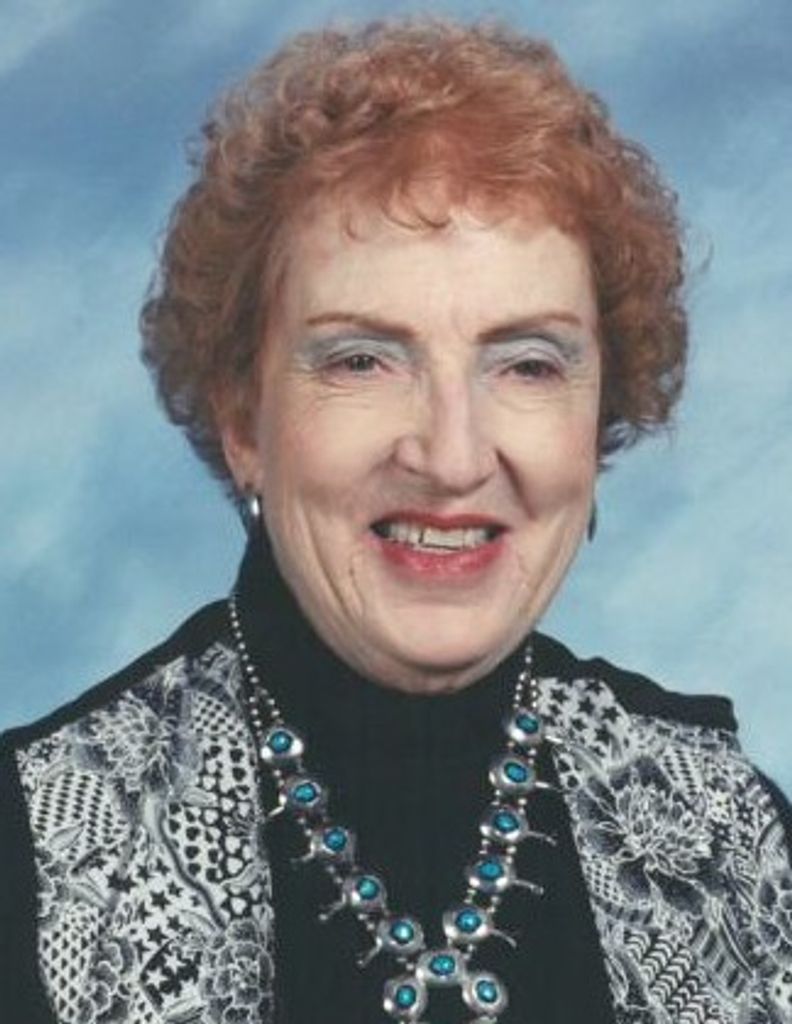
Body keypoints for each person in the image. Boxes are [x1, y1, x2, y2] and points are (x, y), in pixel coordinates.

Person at [2, 17, 790, 1024]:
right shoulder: (28, 855)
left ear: (599, 420)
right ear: (243, 419)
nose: (452, 457)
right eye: (363, 359)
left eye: (528, 364)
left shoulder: (736, 841)